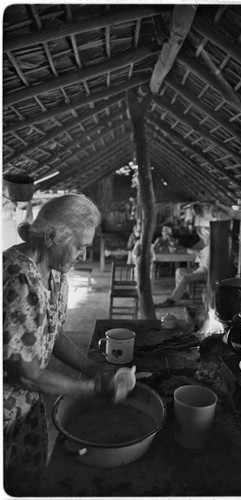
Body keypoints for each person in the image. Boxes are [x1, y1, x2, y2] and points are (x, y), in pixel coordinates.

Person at [3, 193, 136, 496]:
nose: (83, 256)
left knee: (30, 483)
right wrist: (93, 390)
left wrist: (92, 369)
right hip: (6, 413)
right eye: (79, 246)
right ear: (51, 236)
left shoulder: (57, 273)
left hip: (28, 410)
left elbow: (56, 334)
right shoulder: (18, 278)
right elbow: (24, 373)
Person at [156, 226, 210, 306]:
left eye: (205, 238)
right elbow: (198, 254)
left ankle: (172, 299)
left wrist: (197, 253)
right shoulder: (205, 248)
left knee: (185, 278)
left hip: (205, 272)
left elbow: (205, 263)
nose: (203, 240)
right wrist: (195, 252)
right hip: (199, 269)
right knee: (179, 271)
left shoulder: (210, 249)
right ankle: (183, 293)